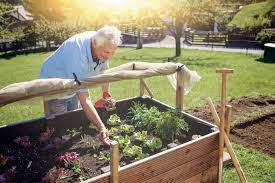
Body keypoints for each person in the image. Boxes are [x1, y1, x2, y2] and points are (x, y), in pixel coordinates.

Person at [39, 26, 122, 145]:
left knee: (74, 118)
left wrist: (105, 94)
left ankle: (63, 140)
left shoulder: (103, 43)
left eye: (112, 52)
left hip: (73, 80)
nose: (109, 56)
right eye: (107, 52)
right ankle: (54, 144)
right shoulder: (77, 54)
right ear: (94, 43)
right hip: (55, 84)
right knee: (60, 122)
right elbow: (85, 99)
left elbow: (104, 71)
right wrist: (102, 127)